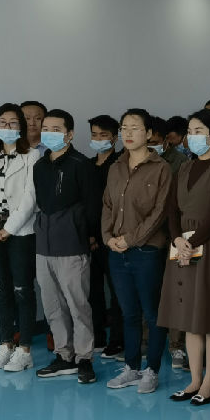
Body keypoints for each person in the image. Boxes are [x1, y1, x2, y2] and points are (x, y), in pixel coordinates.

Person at [158, 111, 210, 405]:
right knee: (189, 317)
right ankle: (193, 380)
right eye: (190, 131)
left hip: (209, 245)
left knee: (209, 316)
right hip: (181, 246)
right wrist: (177, 239)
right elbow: (171, 209)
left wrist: (191, 242)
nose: (192, 137)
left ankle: (209, 382)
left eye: (198, 131)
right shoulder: (183, 167)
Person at [100, 108, 173, 394]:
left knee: (152, 314)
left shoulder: (161, 168)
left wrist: (130, 239)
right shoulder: (116, 166)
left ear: (149, 133)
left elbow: (159, 212)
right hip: (116, 251)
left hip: (146, 252)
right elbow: (107, 205)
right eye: (124, 128)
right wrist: (108, 237)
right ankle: (131, 367)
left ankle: (151, 369)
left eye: (135, 127)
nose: (128, 133)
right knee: (128, 313)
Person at [32, 110, 102, 385]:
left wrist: (89, 235)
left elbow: (92, 206)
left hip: (72, 244)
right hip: (44, 245)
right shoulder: (40, 166)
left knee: (78, 304)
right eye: (45, 128)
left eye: (56, 129)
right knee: (52, 305)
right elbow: (42, 203)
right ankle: (64, 355)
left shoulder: (81, 165)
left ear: (69, 134)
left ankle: (84, 358)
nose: (49, 133)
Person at [0, 102, 41, 373]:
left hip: (20, 233)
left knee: (22, 290)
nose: (7, 127)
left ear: (21, 127)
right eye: (2, 122)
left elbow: (30, 198)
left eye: (13, 123)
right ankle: (6, 344)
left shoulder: (32, 156)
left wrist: (8, 229)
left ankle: (25, 350)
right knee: (1, 289)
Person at [86, 115, 124, 359]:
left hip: (112, 237)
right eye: (94, 135)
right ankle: (97, 336)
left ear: (114, 138)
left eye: (103, 135)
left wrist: (103, 234)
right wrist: (89, 234)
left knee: (117, 292)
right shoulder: (87, 165)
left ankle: (117, 340)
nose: (98, 139)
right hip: (89, 238)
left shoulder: (120, 164)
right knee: (93, 291)